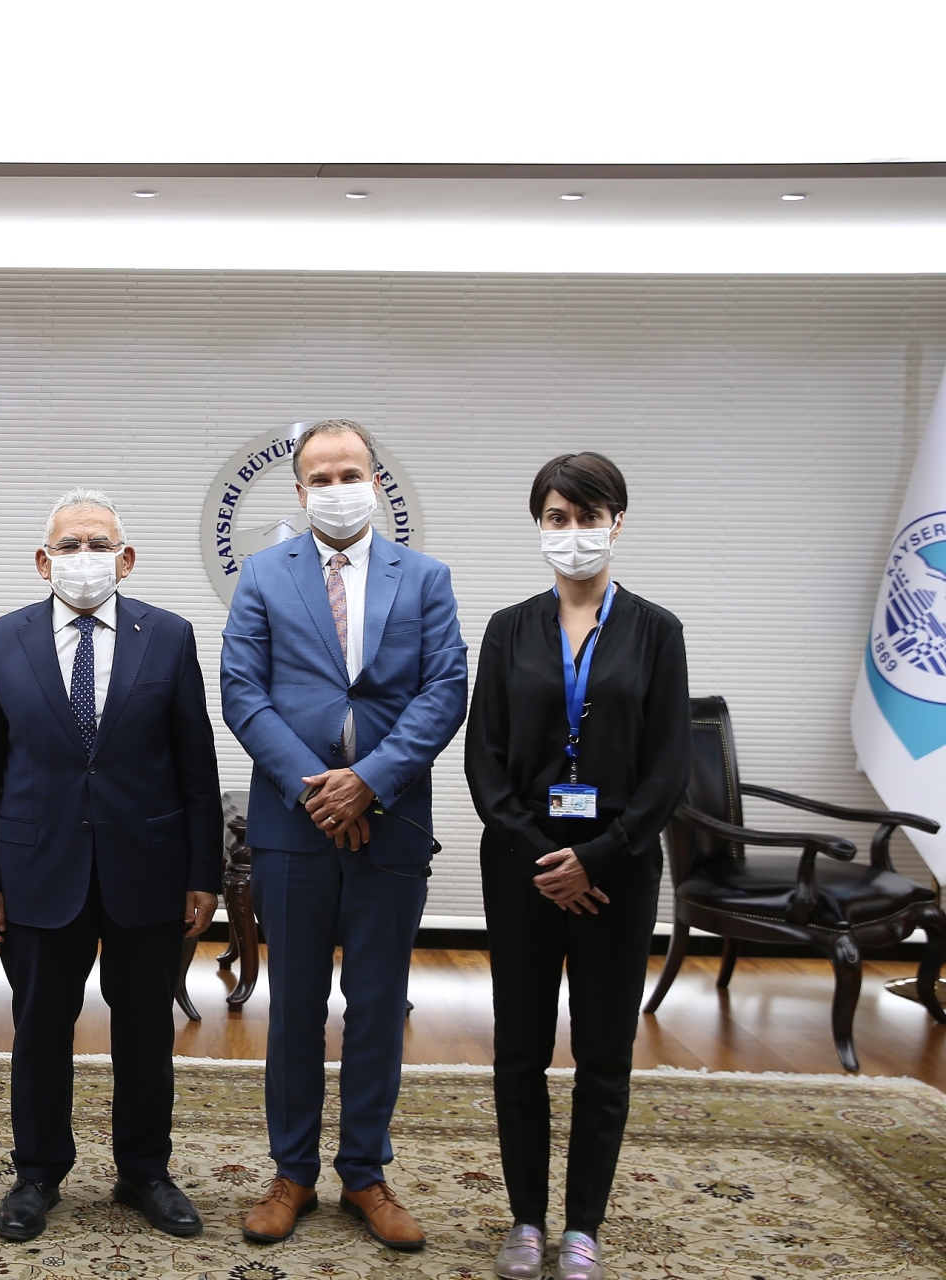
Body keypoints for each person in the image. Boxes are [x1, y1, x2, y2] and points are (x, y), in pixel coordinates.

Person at [220, 419, 467, 1252]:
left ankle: (364, 1172)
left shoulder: (425, 578)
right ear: (299, 492)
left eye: (349, 473)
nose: (336, 488)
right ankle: (291, 1172)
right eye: (320, 478)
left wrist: (370, 782)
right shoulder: (264, 575)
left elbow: (445, 690)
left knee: (377, 1007)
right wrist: (318, 789)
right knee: (294, 1008)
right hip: (293, 828)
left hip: (391, 825)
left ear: (375, 481)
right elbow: (242, 691)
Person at [0, 489, 223, 1243]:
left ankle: (145, 1171)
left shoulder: (168, 636)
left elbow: (196, 767)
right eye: (68, 545)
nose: (84, 558)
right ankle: (37, 1173)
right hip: (37, 870)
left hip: (148, 868)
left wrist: (203, 874)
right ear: (43, 562)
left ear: (126, 559)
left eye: (98, 544)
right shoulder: (2, 640)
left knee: (146, 1030)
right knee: (41, 1028)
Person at [464, 453, 689, 1280]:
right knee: (519, 1050)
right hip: (522, 865)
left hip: (617, 870)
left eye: (589, 517)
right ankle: (526, 1220)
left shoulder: (657, 631)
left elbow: (668, 769)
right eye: (557, 518)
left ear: (618, 523)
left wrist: (596, 858)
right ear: (540, 527)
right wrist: (544, 856)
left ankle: (583, 1225)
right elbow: (484, 763)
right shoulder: (507, 629)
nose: (573, 533)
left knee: (604, 1053)